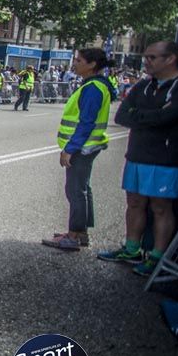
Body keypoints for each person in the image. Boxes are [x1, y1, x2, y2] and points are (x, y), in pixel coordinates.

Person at [98, 40, 178, 275]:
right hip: (136, 154)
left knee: (161, 207)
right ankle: (131, 248)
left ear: (170, 59)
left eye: (152, 57)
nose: (146, 61)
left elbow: (170, 118)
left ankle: (157, 257)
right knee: (134, 203)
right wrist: (155, 115)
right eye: (146, 57)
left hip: (165, 159)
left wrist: (142, 116)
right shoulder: (143, 85)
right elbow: (122, 116)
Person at [42, 48, 115, 252]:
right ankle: (80, 233)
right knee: (83, 189)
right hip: (88, 146)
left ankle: (73, 236)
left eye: (79, 60)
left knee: (75, 190)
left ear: (92, 65)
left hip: (83, 147)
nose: (75, 63)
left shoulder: (93, 88)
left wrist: (70, 149)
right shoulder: (95, 85)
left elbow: (86, 122)